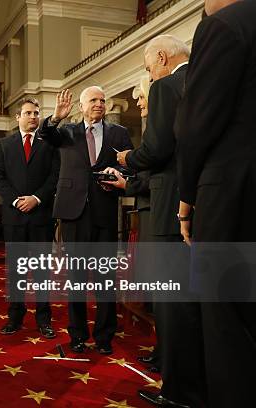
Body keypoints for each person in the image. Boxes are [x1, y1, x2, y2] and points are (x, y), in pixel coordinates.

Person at [116, 35, 206, 408]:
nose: (148, 73)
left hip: (172, 205)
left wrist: (127, 159)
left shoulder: (166, 86)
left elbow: (157, 149)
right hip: (207, 200)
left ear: (162, 58)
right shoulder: (204, 78)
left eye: (148, 65)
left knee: (175, 303)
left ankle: (181, 393)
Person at [175, 0, 256, 405]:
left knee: (228, 325)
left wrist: (186, 198)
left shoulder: (222, 24)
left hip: (232, 196)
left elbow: (194, 127)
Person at [39, 86, 133, 355]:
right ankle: (78, 334)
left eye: (103, 100)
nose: (99, 104)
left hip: (104, 210)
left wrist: (119, 171)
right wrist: (56, 116)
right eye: (93, 100)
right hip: (73, 212)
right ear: (81, 106)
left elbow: (130, 163)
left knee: (106, 278)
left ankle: (104, 337)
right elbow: (45, 134)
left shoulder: (119, 133)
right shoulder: (67, 131)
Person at [0, 97, 60, 339]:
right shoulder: (4, 145)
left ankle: (44, 319)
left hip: (41, 215)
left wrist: (36, 199)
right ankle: (15, 318)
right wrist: (16, 200)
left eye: (36, 113)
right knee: (16, 272)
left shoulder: (49, 144)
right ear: (18, 117)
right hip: (14, 217)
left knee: (42, 272)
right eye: (28, 113)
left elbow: (54, 176)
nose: (33, 117)